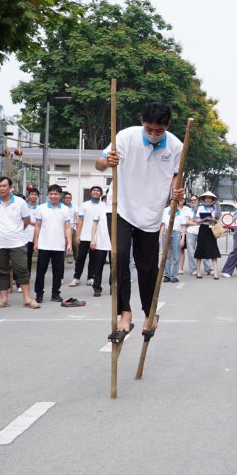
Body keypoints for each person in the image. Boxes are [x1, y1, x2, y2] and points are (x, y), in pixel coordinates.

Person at [95, 102, 185, 337]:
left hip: (151, 213)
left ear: (168, 125)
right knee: (120, 256)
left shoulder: (176, 146)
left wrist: (177, 191)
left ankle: (149, 311)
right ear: (142, 122)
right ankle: (124, 311)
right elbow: (100, 163)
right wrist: (108, 161)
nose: (153, 135)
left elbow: (176, 177)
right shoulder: (126, 136)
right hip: (120, 207)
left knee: (147, 266)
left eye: (159, 131)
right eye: (149, 129)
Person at [0, 177, 37, 309]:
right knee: (2, 271)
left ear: (10, 187)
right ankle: (3, 299)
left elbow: (26, 221)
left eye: (4, 186)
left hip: (17, 243)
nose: (1, 188)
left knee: (22, 270)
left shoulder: (20, 202)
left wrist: (16, 231)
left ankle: (27, 299)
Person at [34, 184, 80, 306]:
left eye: (56, 194)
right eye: (51, 193)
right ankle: (39, 294)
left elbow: (68, 227)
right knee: (40, 271)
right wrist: (36, 242)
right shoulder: (41, 208)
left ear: (60, 196)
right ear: (48, 195)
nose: (53, 196)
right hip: (44, 245)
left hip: (59, 245)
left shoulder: (65, 209)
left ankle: (55, 293)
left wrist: (69, 243)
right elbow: (37, 226)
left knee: (58, 271)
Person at [70, 186, 104, 286]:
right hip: (84, 236)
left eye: (98, 191)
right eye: (94, 190)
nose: (95, 192)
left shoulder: (103, 205)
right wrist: (77, 235)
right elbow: (80, 220)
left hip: (97, 236)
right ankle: (76, 277)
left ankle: (91, 277)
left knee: (94, 259)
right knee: (80, 258)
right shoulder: (84, 205)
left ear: (100, 194)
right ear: (90, 193)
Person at [192, 191, 222, 280]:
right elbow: (196, 221)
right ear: (204, 199)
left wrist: (213, 219)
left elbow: (217, 220)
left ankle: (216, 273)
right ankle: (198, 272)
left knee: (213, 251)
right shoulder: (200, 208)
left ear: (212, 199)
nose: (208, 200)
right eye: (206, 198)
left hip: (212, 230)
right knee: (200, 251)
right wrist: (205, 218)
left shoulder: (215, 208)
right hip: (203, 229)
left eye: (210, 198)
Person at [88, 193, 112, 297]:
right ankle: (97, 287)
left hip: (114, 242)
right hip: (101, 241)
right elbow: (94, 224)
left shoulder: (120, 208)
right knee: (98, 267)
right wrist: (92, 239)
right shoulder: (100, 208)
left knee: (115, 267)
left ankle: (113, 287)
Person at [160, 197, 186, 284]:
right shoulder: (165, 211)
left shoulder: (181, 213)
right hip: (166, 233)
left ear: (177, 204)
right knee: (166, 255)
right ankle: (167, 275)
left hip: (176, 234)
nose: (172, 205)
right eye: (171, 203)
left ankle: (174, 275)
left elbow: (183, 227)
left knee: (176, 256)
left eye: (174, 203)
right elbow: (163, 225)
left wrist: (182, 238)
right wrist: (159, 236)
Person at [183, 194, 203, 277]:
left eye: (195, 200)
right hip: (190, 232)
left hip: (201, 232)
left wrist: (193, 222)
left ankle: (208, 268)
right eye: (191, 200)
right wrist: (196, 222)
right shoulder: (188, 210)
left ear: (198, 201)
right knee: (191, 251)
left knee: (203, 250)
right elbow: (187, 221)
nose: (193, 201)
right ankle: (193, 269)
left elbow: (203, 220)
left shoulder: (201, 209)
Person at [24, 187, 39, 266]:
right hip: (22, 234)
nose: (33, 196)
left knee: (28, 256)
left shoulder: (40, 209)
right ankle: (15, 278)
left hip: (33, 235)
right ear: (28, 195)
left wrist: (29, 222)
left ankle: (27, 277)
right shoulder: (23, 207)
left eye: (35, 194)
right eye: (32, 194)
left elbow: (39, 223)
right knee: (20, 257)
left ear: (37, 196)